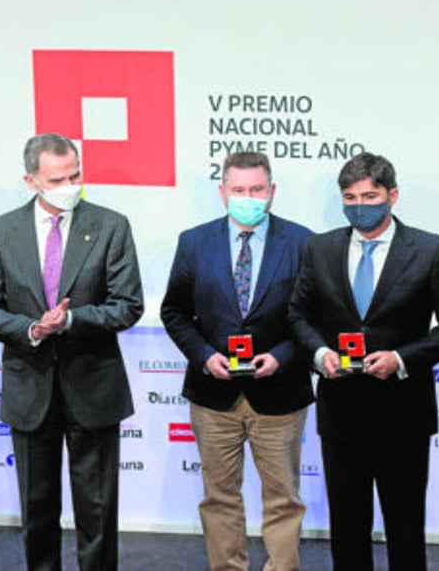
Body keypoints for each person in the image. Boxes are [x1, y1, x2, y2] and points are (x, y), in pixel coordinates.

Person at [286, 153, 439, 571]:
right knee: (347, 529)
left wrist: (402, 358)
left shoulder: (431, 250)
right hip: (341, 411)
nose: (359, 205)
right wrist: (319, 354)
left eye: (369, 195)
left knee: (405, 529)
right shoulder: (319, 248)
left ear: (392, 196)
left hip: (403, 412)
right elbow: (298, 316)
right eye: (349, 196)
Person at [0, 133, 143, 570]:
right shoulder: (0, 232)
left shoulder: (111, 225)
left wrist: (70, 320)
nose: (70, 185)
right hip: (30, 389)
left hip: (95, 386)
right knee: (37, 511)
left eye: (76, 174)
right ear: (30, 180)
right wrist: (32, 328)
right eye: (57, 178)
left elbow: (128, 306)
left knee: (98, 513)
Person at [160, 151, 314, 570]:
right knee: (219, 497)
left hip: (280, 394)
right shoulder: (194, 242)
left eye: (257, 190)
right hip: (214, 395)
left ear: (272, 191)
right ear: (223, 192)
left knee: (283, 498)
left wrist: (282, 356)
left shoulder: (304, 243)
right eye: (240, 190)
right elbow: (173, 312)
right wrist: (205, 356)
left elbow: (314, 319)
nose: (249, 197)